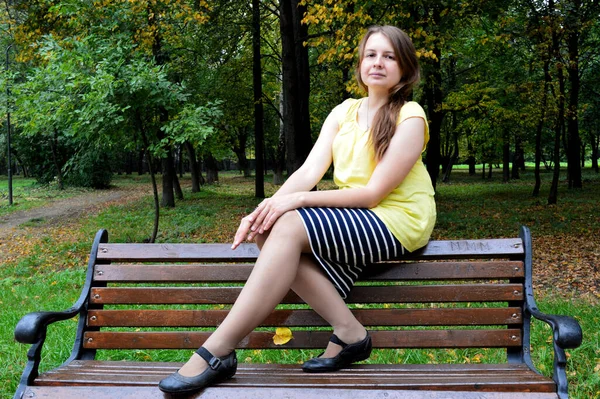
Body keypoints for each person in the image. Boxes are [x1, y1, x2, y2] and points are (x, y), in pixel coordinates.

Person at [158, 25, 436, 395]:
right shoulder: (344, 112)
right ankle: (351, 332)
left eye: (389, 56)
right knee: (266, 228)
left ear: (405, 67)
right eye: (371, 54)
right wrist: (264, 209)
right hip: (360, 218)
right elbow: (308, 172)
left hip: (400, 219)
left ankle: (218, 350)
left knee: (287, 224)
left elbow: (371, 195)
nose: (378, 63)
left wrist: (296, 202)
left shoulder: (411, 116)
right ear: (360, 63)